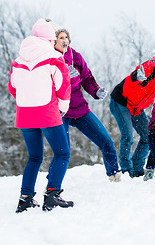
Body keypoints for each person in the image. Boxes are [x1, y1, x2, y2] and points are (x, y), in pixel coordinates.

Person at [9, 18, 74, 213]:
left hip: (25, 114)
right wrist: (63, 107)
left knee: (35, 156)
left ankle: (25, 197)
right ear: (49, 38)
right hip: (47, 112)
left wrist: (27, 101)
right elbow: (63, 86)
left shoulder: (18, 60)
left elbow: (13, 88)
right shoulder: (54, 57)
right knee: (62, 153)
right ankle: (52, 194)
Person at [46, 19, 121, 182]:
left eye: (66, 37)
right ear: (53, 42)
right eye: (60, 38)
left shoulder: (75, 56)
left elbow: (87, 78)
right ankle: (52, 185)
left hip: (80, 109)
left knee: (106, 141)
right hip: (60, 112)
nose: (64, 40)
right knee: (62, 152)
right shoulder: (49, 59)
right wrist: (65, 78)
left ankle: (114, 175)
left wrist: (96, 90)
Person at [109, 54, 155, 178]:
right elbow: (136, 75)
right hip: (121, 101)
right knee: (128, 136)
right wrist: (138, 76)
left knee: (148, 136)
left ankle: (137, 169)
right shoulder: (152, 66)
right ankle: (126, 171)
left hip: (136, 107)